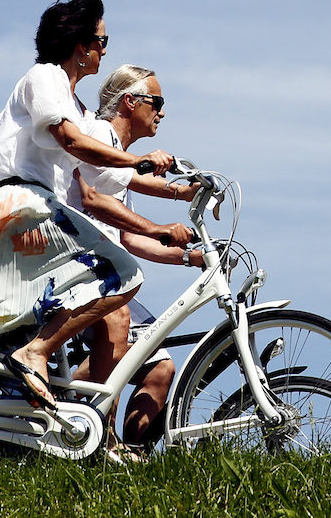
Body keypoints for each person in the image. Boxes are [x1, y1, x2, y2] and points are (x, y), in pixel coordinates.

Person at [0, 0, 173, 412]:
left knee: (110, 304)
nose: (105, 51)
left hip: (41, 209)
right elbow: (72, 141)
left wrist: (180, 186)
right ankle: (35, 354)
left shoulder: (78, 107)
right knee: (123, 273)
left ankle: (59, 400)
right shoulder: (45, 78)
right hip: (21, 205)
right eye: (102, 42)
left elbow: (107, 168)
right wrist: (139, 161)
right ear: (80, 45)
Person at [71, 65, 202, 447]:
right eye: (157, 102)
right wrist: (164, 224)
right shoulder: (98, 136)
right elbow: (93, 202)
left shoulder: (117, 154)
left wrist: (189, 257)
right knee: (119, 320)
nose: (162, 112)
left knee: (159, 369)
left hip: (107, 265)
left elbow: (127, 236)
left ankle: (130, 459)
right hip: (81, 266)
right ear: (130, 102)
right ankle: (101, 443)